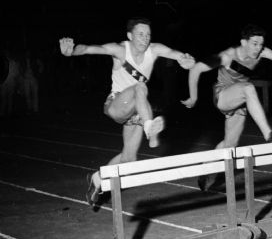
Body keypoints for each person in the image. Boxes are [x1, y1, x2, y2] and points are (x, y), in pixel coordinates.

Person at [59, 17, 195, 208]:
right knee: (140, 87)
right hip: (116, 104)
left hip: (135, 110)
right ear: (129, 36)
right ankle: (149, 127)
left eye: (148, 34)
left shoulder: (154, 49)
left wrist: (186, 60)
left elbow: (176, 54)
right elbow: (91, 49)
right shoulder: (120, 50)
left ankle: (97, 178)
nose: (145, 39)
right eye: (140, 34)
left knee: (129, 159)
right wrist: (71, 51)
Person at [181, 24, 272, 150]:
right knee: (248, 88)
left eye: (261, 44)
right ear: (244, 42)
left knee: (230, 145)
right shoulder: (228, 56)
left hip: (240, 101)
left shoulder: (262, 52)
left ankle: (207, 166)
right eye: (255, 44)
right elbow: (196, 69)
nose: (258, 48)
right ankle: (269, 134)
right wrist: (193, 98)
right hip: (222, 96)